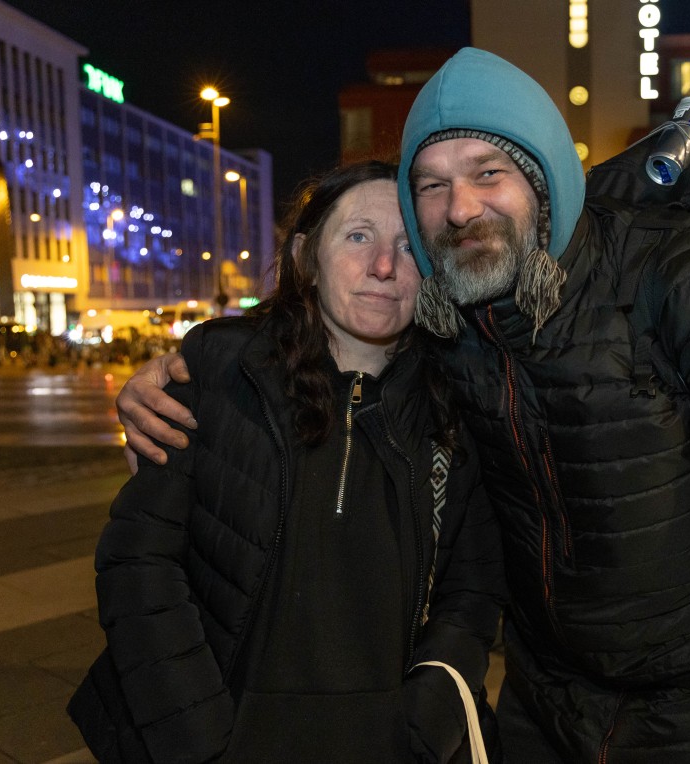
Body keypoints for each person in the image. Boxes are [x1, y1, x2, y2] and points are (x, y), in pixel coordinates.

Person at [117, 48, 690, 762]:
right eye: (432, 184)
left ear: (543, 182)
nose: (460, 207)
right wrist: (189, 364)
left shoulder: (687, 282)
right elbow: (325, 324)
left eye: (487, 172)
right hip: (545, 710)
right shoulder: (453, 322)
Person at [68, 160, 506, 763]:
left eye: (408, 246)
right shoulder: (218, 376)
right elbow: (138, 563)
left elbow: (472, 592)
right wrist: (196, 742)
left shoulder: (455, 409)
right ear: (306, 258)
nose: (383, 265)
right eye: (358, 236)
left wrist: (422, 730)